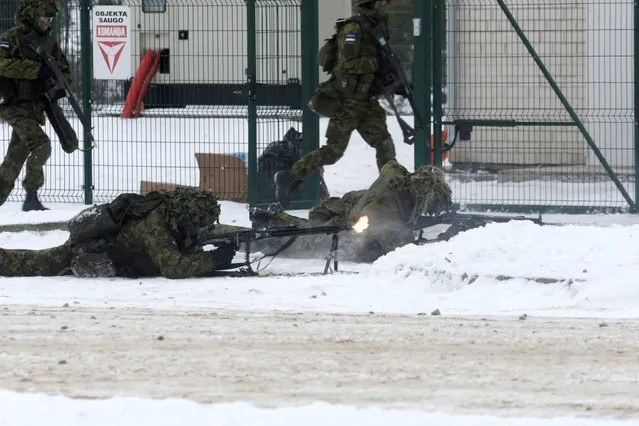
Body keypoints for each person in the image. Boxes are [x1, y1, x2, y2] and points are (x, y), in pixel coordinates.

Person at [274, 0, 398, 208]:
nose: (386, 5)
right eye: (382, 2)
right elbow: (346, 63)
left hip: (366, 101)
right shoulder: (354, 28)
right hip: (347, 102)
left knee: (384, 144)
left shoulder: (377, 27)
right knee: (332, 153)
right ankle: (288, 177)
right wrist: (375, 63)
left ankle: (391, 192)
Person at [0, 188, 238, 278]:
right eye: (201, 223)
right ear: (189, 215)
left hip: (108, 249)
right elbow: (172, 267)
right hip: (91, 251)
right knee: (36, 263)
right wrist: (212, 259)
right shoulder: (155, 226)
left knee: (39, 260)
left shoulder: (170, 213)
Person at [256, 160, 453, 263]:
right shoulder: (384, 208)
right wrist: (441, 243)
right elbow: (401, 250)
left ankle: (272, 221)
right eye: (428, 202)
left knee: (309, 232)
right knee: (301, 241)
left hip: (348, 212)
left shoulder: (397, 188)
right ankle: (267, 227)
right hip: (343, 230)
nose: (427, 208)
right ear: (423, 194)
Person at [0, 0, 71, 211]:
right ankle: (31, 197)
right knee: (41, 145)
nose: (46, 23)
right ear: (32, 16)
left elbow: (64, 71)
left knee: (14, 159)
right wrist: (35, 70)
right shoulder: (10, 38)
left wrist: (56, 85)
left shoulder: (49, 43)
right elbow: (1, 64)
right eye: (43, 18)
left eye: (49, 20)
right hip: (14, 106)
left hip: (35, 108)